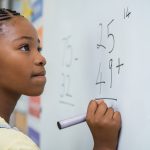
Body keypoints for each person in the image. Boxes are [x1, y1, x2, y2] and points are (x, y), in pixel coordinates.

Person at [0, 8, 121, 150]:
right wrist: (104, 145)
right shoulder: (14, 145)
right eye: (25, 47)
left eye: (38, 48)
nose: (41, 59)